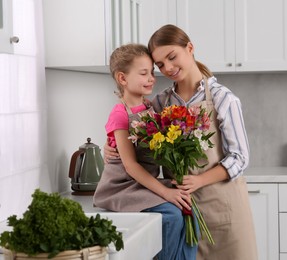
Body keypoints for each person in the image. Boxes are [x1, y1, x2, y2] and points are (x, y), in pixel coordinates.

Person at [105, 25, 258, 260]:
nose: (168, 68)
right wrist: (110, 148)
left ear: (190, 48)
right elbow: (132, 134)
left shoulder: (223, 98)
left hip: (223, 210)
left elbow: (240, 158)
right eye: (160, 65)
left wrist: (198, 180)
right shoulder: (159, 103)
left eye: (172, 57)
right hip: (182, 209)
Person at [93, 43, 197, 260]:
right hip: (122, 187)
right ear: (123, 78)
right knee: (171, 217)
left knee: (189, 207)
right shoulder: (120, 114)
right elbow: (130, 165)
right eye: (144, 73)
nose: (151, 78)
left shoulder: (150, 106)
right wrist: (166, 192)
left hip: (142, 184)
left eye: (152, 72)